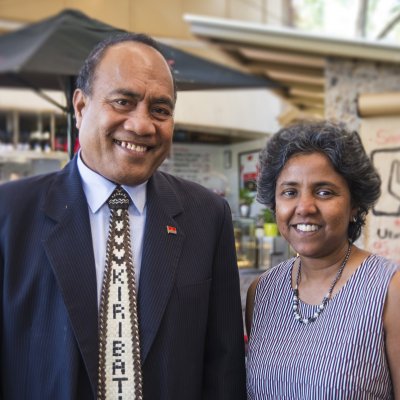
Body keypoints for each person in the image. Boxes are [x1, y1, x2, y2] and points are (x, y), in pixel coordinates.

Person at [0, 33, 246, 400]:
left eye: (160, 110)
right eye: (123, 102)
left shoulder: (206, 216)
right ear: (81, 107)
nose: (143, 125)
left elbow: (224, 365)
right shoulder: (10, 212)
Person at [246, 121, 400, 399]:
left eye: (324, 192)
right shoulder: (262, 293)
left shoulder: (390, 289)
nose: (304, 207)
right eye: (290, 192)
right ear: (275, 205)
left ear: (354, 205)